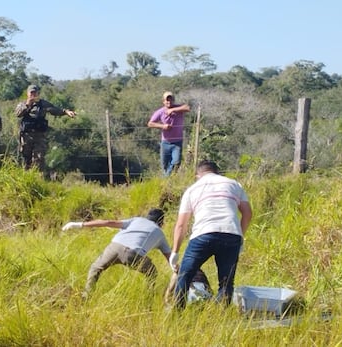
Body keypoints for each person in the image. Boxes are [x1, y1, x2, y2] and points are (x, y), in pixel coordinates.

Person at [170, 160, 253, 310]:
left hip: (203, 234)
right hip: (231, 234)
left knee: (185, 276)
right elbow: (247, 213)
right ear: (217, 172)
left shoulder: (192, 190)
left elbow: (181, 225)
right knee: (226, 282)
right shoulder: (234, 184)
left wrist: (175, 252)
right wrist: (240, 237)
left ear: (197, 175)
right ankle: (221, 318)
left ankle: (176, 314)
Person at [62, 208, 171, 299]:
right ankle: (149, 297)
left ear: (147, 217)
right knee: (152, 273)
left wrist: (79, 224)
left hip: (114, 247)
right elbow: (171, 258)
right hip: (133, 254)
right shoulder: (160, 233)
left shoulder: (137, 220)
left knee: (95, 268)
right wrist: (180, 272)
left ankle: (87, 295)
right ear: (161, 222)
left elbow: (108, 222)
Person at [15, 84, 76, 173]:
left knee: (39, 158)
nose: (33, 95)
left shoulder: (43, 104)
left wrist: (66, 112)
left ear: (38, 93)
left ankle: (38, 178)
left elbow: (55, 109)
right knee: (26, 158)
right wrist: (28, 104)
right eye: (31, 93)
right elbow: (18, 114)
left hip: (39, 136)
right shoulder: (23, 104)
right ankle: (26, 178)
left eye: (35, 93)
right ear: (28, 94)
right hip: (26, 136)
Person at [147, 91, 190, 176]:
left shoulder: (179, 108)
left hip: (177, 142)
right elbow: (150, 123)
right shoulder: (160, 112)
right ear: (163, 101)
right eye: (167, 100)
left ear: (173, 100)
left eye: (170, 100)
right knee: (165, 165)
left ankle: (166, 178)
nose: (169, 102)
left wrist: (173, 110)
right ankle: (167, 180)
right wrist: (163, 126)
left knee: (176, 162)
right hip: (165, 142)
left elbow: (187, 107)